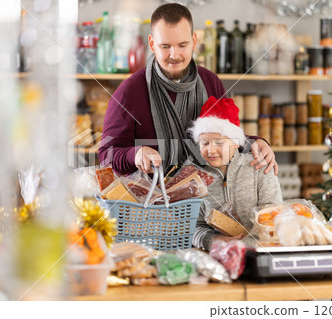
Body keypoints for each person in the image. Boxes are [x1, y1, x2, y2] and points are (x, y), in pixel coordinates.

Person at [98, 3, 277, 176]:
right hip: (150, 201)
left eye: (182, 45)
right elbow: (106, 155)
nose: (174, 55)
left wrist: (256, 142)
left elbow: (226, 139)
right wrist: (135, 154)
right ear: (152, 44)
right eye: (165, 46)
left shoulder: (210, 81)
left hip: (207, 199)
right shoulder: (129, 92)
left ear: (194, 41)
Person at [188, 96, 282, 251]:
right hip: (216, 256)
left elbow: (275, 216)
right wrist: (214, 240)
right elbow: (193, 228)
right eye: (205, 143)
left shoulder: (260, 167)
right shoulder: (196, 178)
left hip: (260, 251)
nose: (210, 150)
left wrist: (248, 242)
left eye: (219, 143)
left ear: (235, 142)